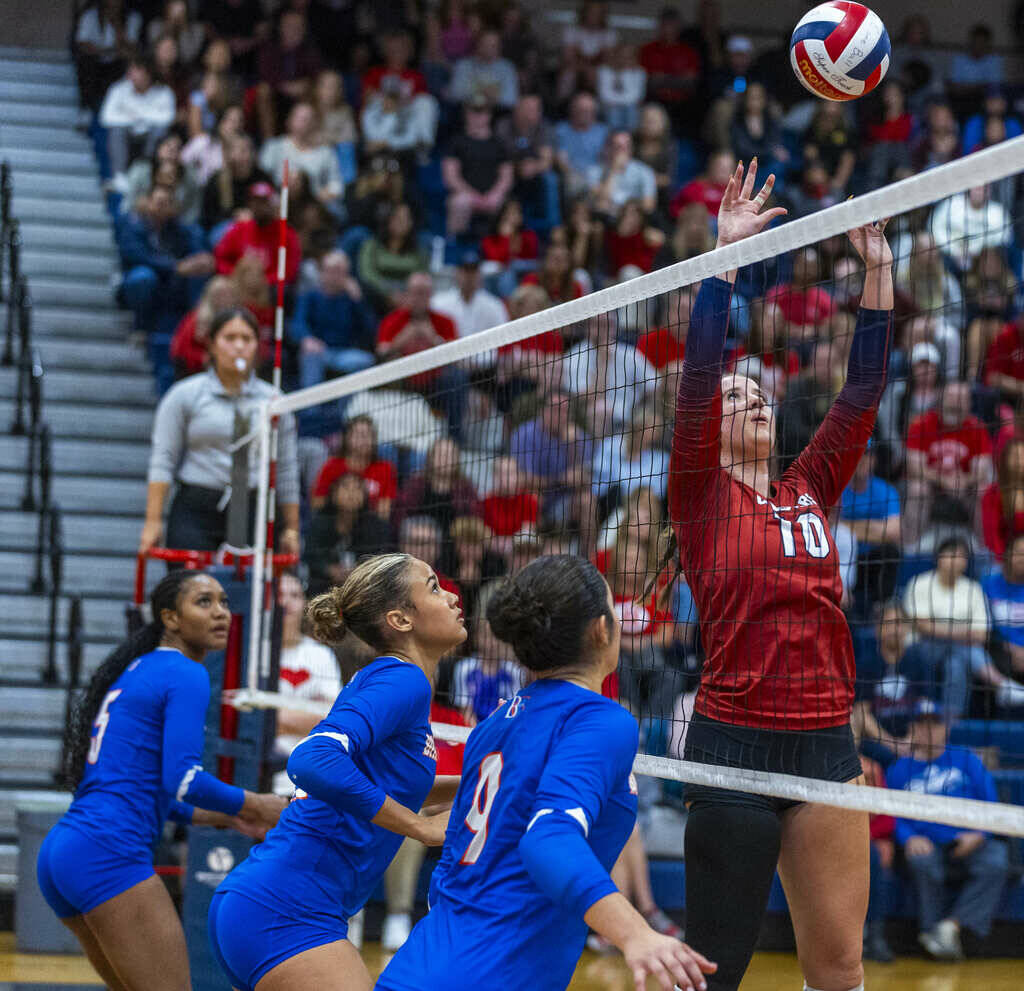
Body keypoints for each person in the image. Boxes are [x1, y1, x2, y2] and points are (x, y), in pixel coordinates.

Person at [665, 159, 892, 991]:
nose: (753, 398)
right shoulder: (698, 492)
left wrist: (878, 271)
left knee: (838, 966)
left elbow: (862, 390)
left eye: (758, 393)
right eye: (735, 398)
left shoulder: (809, 486)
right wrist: (724, 258)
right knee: (714, 971)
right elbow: (698, 374)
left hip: (825, 741)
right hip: (734, 742)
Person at [377, 555, 716, 991]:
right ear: (601, 629)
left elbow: (449, 872)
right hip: (492, 975)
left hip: (420, 964)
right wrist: (635, 934)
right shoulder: (599, 720)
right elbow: (548, 837)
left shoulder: (494, 725)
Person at [209, 553, 465, 991]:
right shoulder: (402, 681)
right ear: (401, 620)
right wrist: (420, 828)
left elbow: (386, 787)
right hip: (289, 910)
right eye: (434, 587)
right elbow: (312, 759)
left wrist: (485, 785)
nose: (453, 597)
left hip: (268, 901)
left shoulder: (392, 680)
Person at [37, 571, 284, 991]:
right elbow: (184, 780)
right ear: (170, 618)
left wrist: (226, 817)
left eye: (224, 602)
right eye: (204, 602)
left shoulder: (140, 667)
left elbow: (152, 792)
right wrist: (258, 804)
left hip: (64, 851)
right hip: (107, 852)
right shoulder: (185, 672)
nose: (221, 612)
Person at [141, 308, 300, 557]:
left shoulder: (274, 401)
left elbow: (287, 470)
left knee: (249, 581)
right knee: (191, 580)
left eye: (247, 339)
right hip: (196, 506)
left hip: (252, 509)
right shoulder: (184, 395)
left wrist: (292, 528)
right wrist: (152, 521)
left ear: (257, 346)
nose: (239, 346)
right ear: (212, 345)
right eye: (229, 338)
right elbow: (163, 459)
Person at [888, 699, 1010, 960]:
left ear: (945, 728)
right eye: (922, 724)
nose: (929, 730)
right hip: (927, 843)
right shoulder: (899, 770)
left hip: (969, 840)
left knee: (997, 861)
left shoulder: (966, 759)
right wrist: (909, 838)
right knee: (922, 861)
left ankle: (949, 928)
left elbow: (991, 804)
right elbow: (890, 813)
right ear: (913, 729)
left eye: (934, 724)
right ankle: (931, 931)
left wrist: (979, 834)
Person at [903, 536, 1024, 713]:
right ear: (939, 557)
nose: (955, 561)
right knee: (963, 649)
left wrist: (941, 629)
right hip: (922, 648)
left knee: (956, 664)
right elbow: (923, 627)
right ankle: (1000, 684)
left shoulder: (973, 589)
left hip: (961, 650)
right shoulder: (920, 583)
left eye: (961, 556)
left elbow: (981, 634)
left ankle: (951, 720)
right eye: (951, 555)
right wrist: (963, 633)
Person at [271, 573, 343, 793]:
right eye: (280, 594)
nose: (286, 601)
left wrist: (273, 718)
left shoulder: (320, 655)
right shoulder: (254, 652)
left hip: (310, 777)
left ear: (304, 603)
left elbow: (332, 720)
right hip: (261, 773)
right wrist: (306, 713)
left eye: (294, 595)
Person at [375, 272, 468, 442]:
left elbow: (458, 358)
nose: (420, 297)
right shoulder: (392, 320)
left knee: (457, 378)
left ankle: (455, 440)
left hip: (435, 383)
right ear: (407, 294)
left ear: (431, 295)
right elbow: (381, 353)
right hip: (404, 382)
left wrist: (434, 339)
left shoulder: (445, 321)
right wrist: (401, 340)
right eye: (416, 292)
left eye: (425, 292)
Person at [291, 250, 376, 394]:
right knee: (311, 356)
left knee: (365, 360)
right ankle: (311, 406)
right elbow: (298, 324)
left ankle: (346, 407)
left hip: (344, 352)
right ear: (321, 272)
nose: (334, 276)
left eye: (339, 271)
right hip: (320, 350)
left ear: (347, 275)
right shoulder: (310, 296)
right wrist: (307, 338)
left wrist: (358, 300)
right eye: (330, 270)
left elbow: (370, 330)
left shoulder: (352, 299)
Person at [304, 473, 393, 596]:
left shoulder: (375, 526)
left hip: (362, 588)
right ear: (334, 493)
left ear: (364, 496)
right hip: (323, 587)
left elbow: (379, 558)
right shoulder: (319, 522)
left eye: (357, 488)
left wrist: (356, 572)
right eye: (345, 487)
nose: (351, 493)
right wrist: (330, 570)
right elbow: (310, 554)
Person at [451, 581, 523, 725]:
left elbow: (513, 711)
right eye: (485, 636)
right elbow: (466, 712)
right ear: (476, 637)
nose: (491, 642)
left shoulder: (514, 672)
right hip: (471, 730)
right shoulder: (464, 668)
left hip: (502, 729)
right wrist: (480, 732)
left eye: (495, 636)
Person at [99, 55, 176, 179]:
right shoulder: (118, 89)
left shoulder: (163, 91)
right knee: (116, 131)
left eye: (138, 70)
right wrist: (136, 119)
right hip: (128, 134)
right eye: (131, 70)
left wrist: (137, 115)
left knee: (160, 130)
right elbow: (106, 117)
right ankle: (119, 176)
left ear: (149, 73)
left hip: (149, 135)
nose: (132, 74)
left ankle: (147, 169)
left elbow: (168, 118)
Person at [214, 182, 301, 289]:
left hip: (270, 288)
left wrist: (262, 281)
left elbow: (289, 271)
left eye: (264, 202)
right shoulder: (239, 229)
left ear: (273, 205)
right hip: (237, 285)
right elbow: (220, 258)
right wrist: (235, 276)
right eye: (255, 202)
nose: (259, 206)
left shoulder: (286, 234)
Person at [310, 415, 397, 518]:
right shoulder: (332, 465)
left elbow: (384, 512)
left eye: (369, 435)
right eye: (359, 435)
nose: (364, 440)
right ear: (347, 438)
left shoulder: (385, 468)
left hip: (369, 523)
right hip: (336, 521)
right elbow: (317, 503)